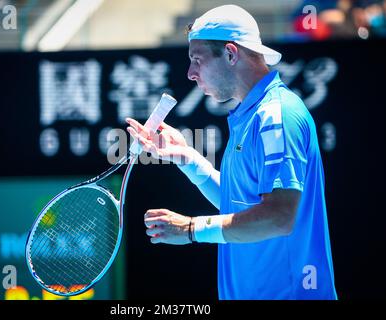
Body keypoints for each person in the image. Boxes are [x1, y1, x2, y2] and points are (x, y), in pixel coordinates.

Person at [126, 5, 337, 300]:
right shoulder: (252, 116)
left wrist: (190, 228)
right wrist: (187, 159)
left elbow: (279, 216)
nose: (190, 73)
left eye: (196, 60)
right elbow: (240, 206)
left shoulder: (275, 116)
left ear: (230, 54)